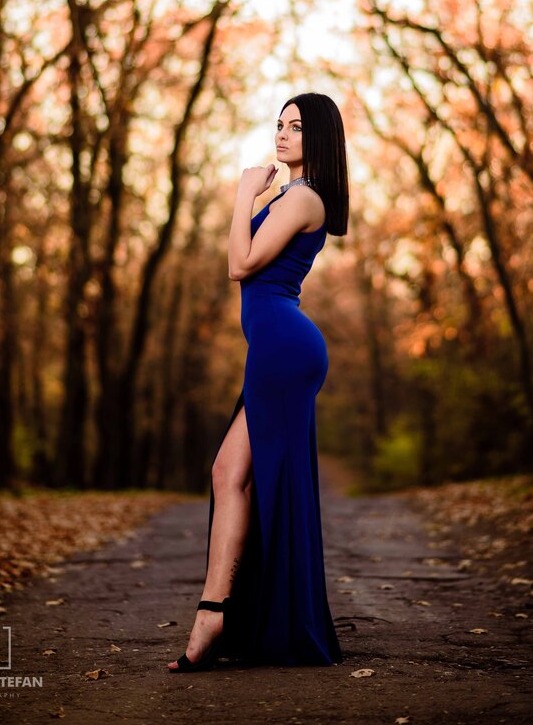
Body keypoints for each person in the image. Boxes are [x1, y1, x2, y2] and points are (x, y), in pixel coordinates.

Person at [167, 92, 349, 672]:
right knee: (229, 472)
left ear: (317, 138)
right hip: (274, 346)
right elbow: (246, 264)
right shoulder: (288, 195)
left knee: (247, 476)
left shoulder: (304, 198)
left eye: (295, 127)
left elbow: (239, 265)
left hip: (283, 347)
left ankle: (218, 615)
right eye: (279, 124)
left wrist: (244, 194)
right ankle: (217, 612)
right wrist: (254, 196)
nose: (282, 134)